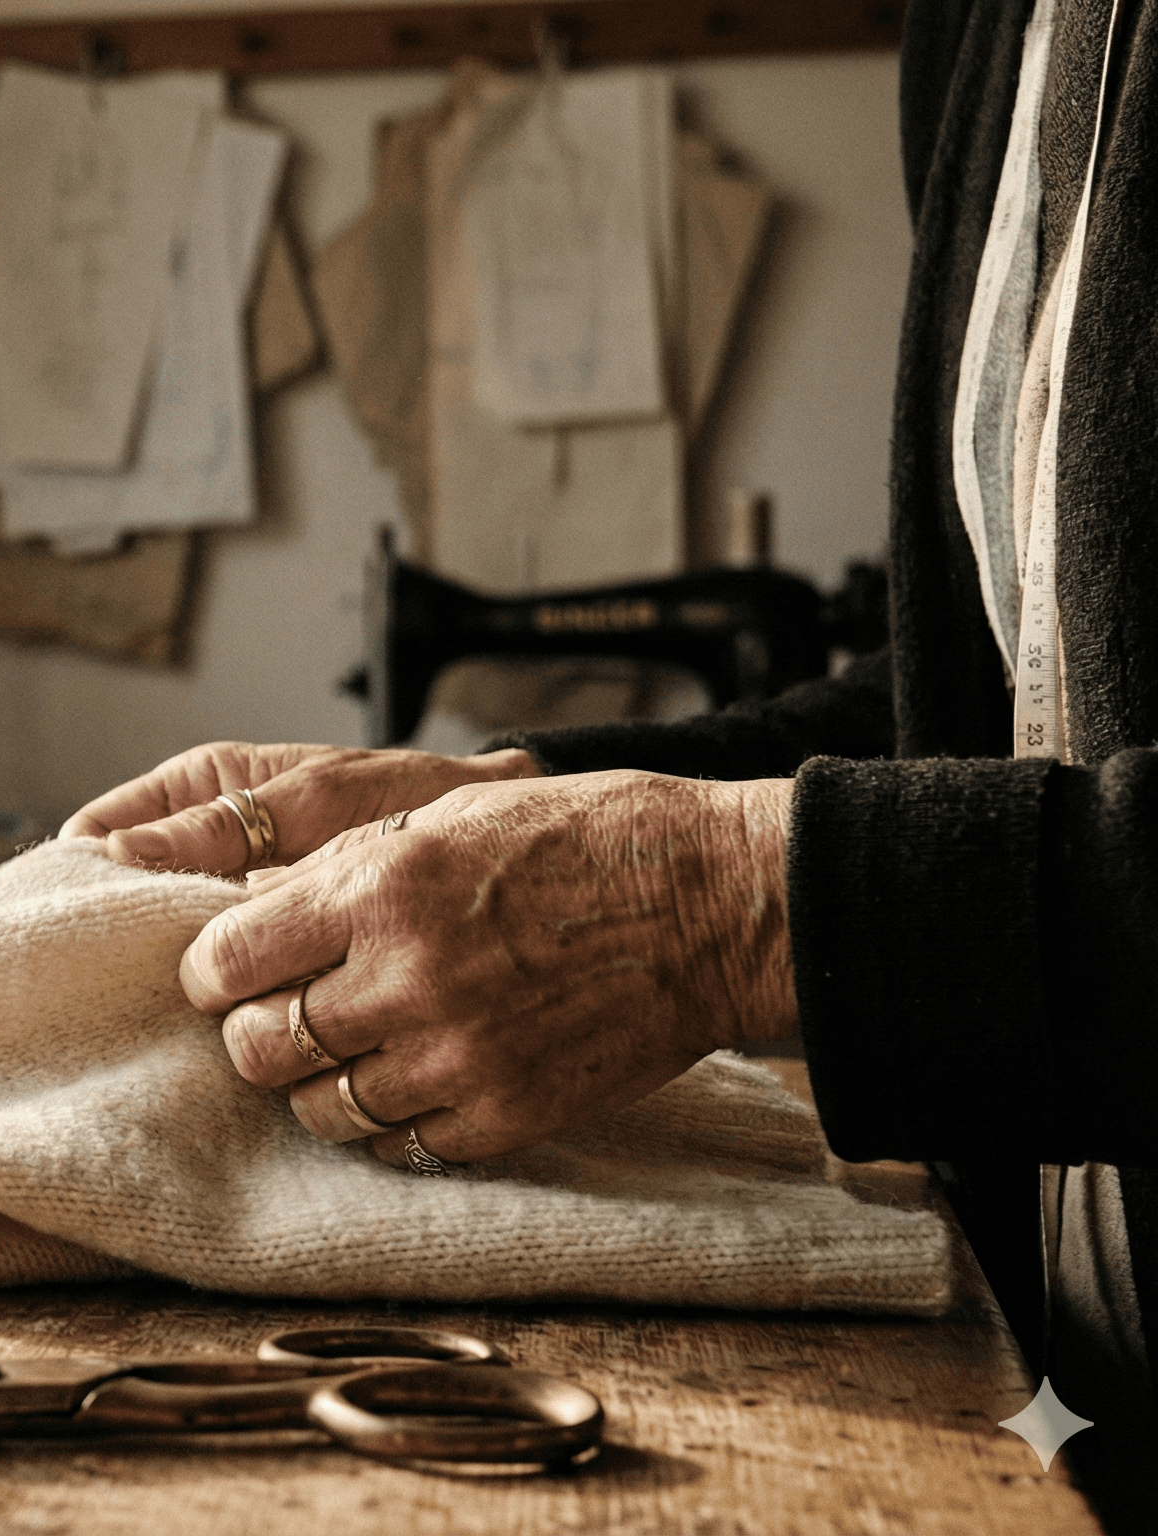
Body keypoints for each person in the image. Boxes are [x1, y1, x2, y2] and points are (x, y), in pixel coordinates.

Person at [63, 0, 1155, 1514]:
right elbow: (990, 704)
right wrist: (509, 793)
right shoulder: (985, 27)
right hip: (1093, 1424)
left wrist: (741, 909)